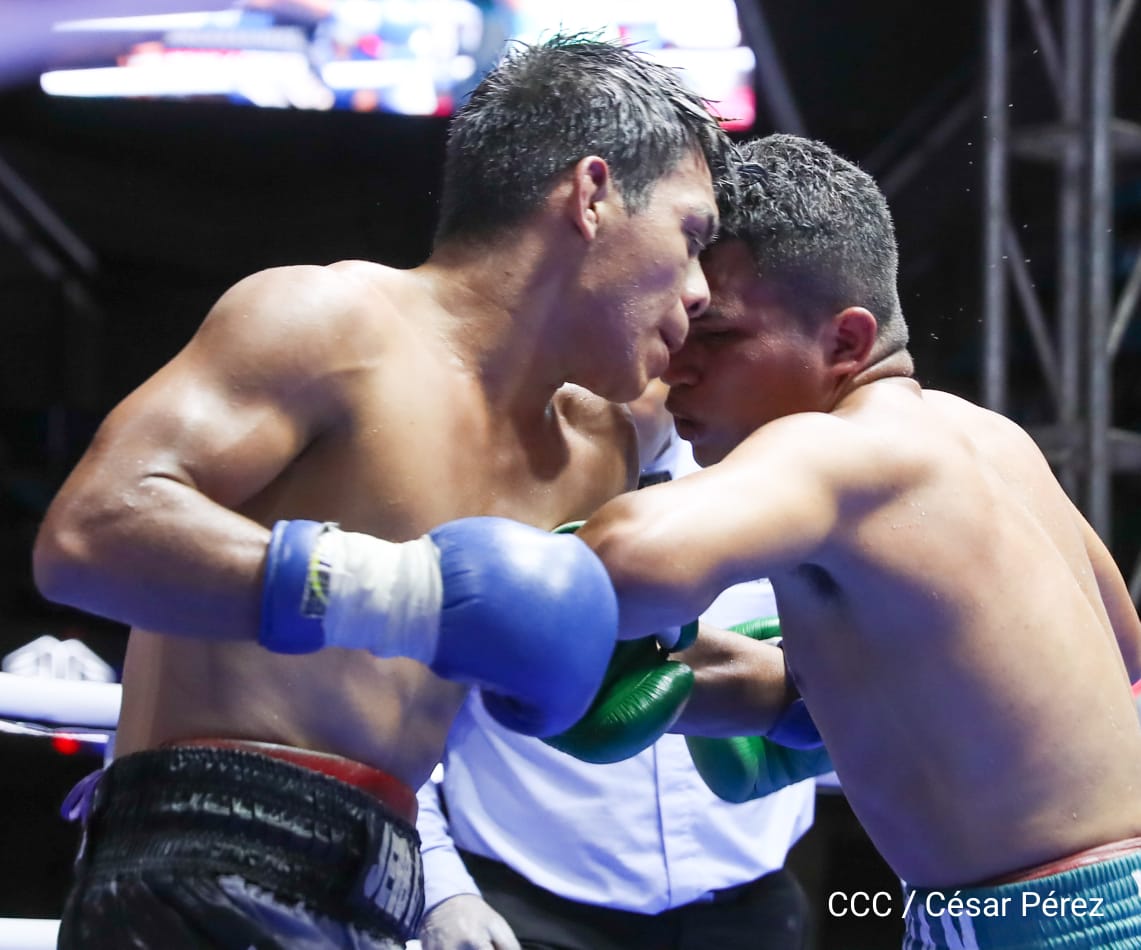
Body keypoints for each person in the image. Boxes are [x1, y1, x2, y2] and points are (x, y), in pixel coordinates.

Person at [30, 34, 734, 949]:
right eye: (690, 238)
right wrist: (404, 593)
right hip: (205, 857)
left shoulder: (593, 453)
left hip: (387, 888)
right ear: (591, 195)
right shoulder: (333, 325)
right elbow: (88, 534)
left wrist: (802, 693)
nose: (700, 290)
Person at [573, 133, 1141, 949]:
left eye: (715, 334)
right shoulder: (987, 436)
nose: (675, 370)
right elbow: (1122, 663)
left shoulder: (838, 449)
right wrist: (808, 694)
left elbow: (620, 563)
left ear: (844, 342)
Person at [415, 378, 816, 950]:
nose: (599, 389)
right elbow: (386, 721)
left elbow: (869, 693)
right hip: (530, 914)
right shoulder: (472, 501)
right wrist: (441, 892)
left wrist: (827, 725)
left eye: (633, 366)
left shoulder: (776, 491)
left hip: (754, 909)